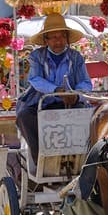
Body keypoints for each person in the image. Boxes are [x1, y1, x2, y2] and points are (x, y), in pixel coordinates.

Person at [15, 12, 92, 165]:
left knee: (91, 117)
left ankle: (83, 160)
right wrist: (56, 90)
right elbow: (35, 79)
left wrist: (76, 95)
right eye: (54, 37)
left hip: (70, 103)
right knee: (24, 116)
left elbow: (86, 83)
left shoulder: (76, 57)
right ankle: (41, 161)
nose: (59, 41)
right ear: (46, 40)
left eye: (62, 36)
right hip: (41, 104)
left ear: (67, 38)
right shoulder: (37, 56)